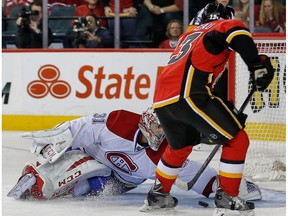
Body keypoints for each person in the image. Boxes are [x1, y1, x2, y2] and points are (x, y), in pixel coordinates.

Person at [141, 3, 274, 215]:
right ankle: (228, 196)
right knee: (237, 139)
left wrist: (259, 62)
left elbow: (203, 66)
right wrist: (256, 65)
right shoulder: (222, 25)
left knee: (180, 147)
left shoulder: (190, 35)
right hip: (189, 96)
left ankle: (158, 194)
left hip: (162, 100)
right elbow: (237, 31)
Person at [7, 108, 261, 201]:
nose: (162, 133)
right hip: (94, 158)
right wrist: (53, 145)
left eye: (166, 128)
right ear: (146, 123)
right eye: (159, 126)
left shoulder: (166, 156)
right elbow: (76, 129)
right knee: (83, 164)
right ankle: (37, 178)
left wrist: (229, 185)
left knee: (87, 188)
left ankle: (63, 187)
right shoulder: (117, 123)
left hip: (121, 181)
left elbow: (199, 178)